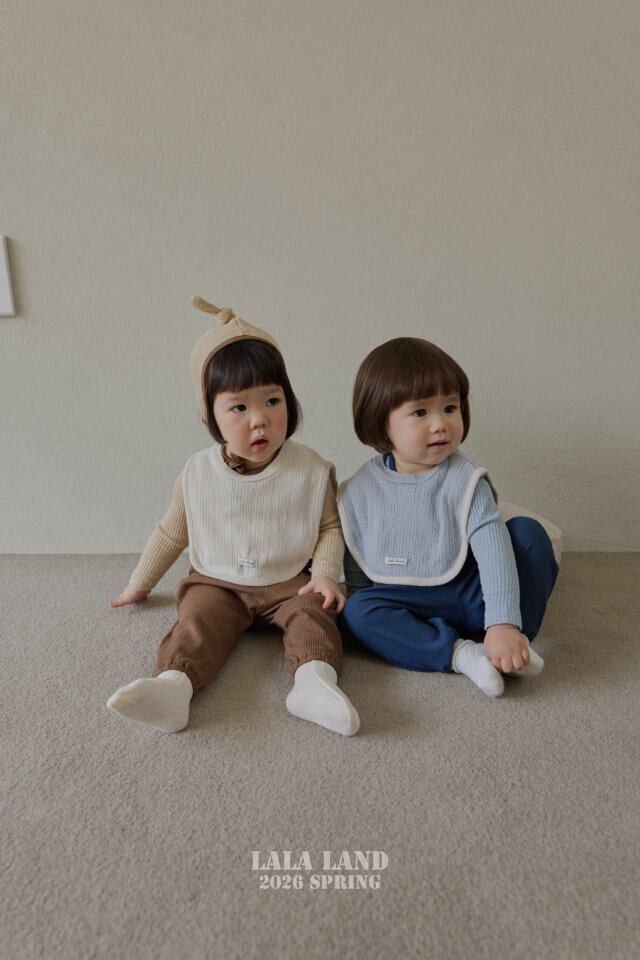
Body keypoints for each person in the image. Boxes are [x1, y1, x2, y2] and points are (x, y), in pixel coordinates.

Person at [107, 296, 359, 735]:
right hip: (218, 580)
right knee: (197, 621)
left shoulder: (311, 469)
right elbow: (171, 533)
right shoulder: (198, 473)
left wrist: (323, 575)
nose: (260, 420)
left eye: (273, 401)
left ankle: (313, 681)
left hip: (289, 581)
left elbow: (329, 527)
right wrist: (138, 584)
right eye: (239, 407)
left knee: (314, 616)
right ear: (212, 416)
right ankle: (174, 686)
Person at [338, 337, 559, 698]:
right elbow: (360, 554)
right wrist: (370, 616)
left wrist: (503, 622)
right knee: (359, 610)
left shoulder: (466, 479)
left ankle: (512, 640)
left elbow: (493, 548)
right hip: (411, 604)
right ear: (381, 422)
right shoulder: (361, 489)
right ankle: (461, 654)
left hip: (476, 595)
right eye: (420, 413)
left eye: (450, 408)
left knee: (528, 533)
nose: (440, 424)